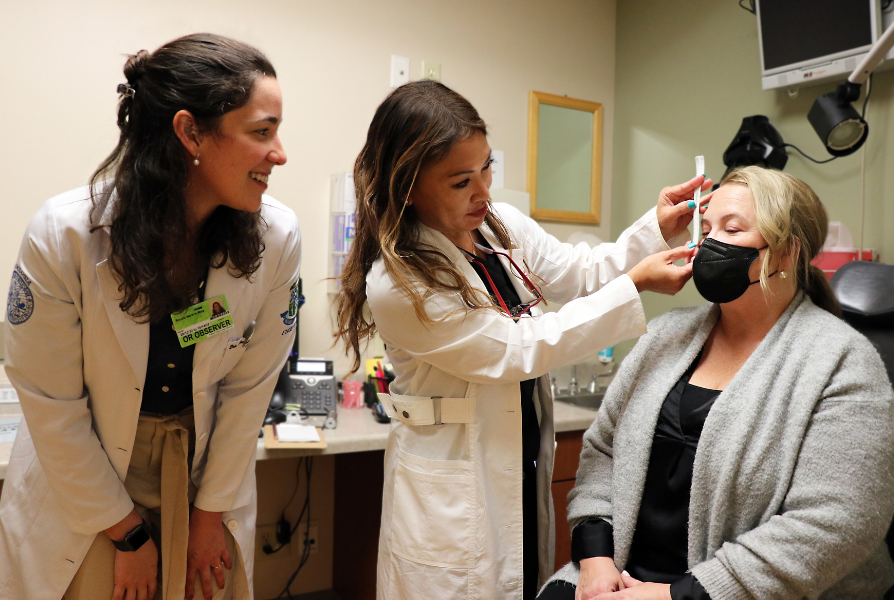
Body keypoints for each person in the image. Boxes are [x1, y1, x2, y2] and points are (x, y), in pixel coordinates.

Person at [335, 80, 713, 600]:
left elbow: (577, 271)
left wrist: (655, 231)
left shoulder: (497, 226)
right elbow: (516, 349)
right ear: (408, 186)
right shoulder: (399, 283)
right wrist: (637, 283)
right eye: (460, 180)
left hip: (518, 459)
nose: (483, 191)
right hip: (452, 490)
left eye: (487, 167)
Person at [0, 34, 300, 600]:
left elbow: (249, 389)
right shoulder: (65, 234)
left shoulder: (276, 235)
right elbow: (51, 402)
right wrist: (129, 536)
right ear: (190, 133)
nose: (279, 153)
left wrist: (209, 516)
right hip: (86, 473)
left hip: (204, 462)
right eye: (261, 132)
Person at [538, 166, 894, 600]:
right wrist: (596, 562)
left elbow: (836, 523)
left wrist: (675, 596)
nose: (709, 243)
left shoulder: (841, 361)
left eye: (732, 229)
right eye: (705, 228)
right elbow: (603, 452)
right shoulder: (664, 336)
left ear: (785, 254)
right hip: (620, 577)